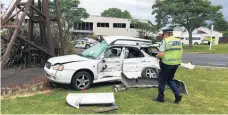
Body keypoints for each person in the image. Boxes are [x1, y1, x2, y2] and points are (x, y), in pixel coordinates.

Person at [153, 28, 183, 104]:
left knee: (161, 80)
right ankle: (177, 94)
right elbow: (181, 51)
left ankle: (160, 98)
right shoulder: (178, 40)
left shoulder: (165, 41)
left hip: (166, 64)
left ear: (165, 34)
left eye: (163, 34)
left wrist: (157, 56)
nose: (163, 36)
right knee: (170, 79)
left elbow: (162, 54)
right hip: (176, 63)